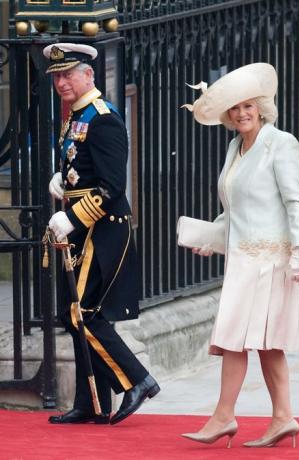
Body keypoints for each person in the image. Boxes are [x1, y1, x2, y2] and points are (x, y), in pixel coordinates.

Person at [180, 63, 299, 448]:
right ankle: (283, 417)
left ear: (261, 106)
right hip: (242, 261)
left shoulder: (280, 142)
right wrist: (214, 237)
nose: (241, 113)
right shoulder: (236, 147)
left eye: (248, 105)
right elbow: (235, 207)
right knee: (264, 344)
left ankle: (224, 417)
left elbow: (294, 202)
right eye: (234, 108)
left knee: (237, 339)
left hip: (271, 261)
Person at [43, 43, 160, 425]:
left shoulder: (104, 117)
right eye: (57, 76)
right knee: (72, 312)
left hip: (102, 227)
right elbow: (85, 169)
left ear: (88, 74)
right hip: (81, 226)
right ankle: (92, 402)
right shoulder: (77, 114)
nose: (62, 82)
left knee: (84, 314)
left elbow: (112, 186)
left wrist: (73, 215)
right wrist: (65, 182)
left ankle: (137, 380)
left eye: (68, 74)